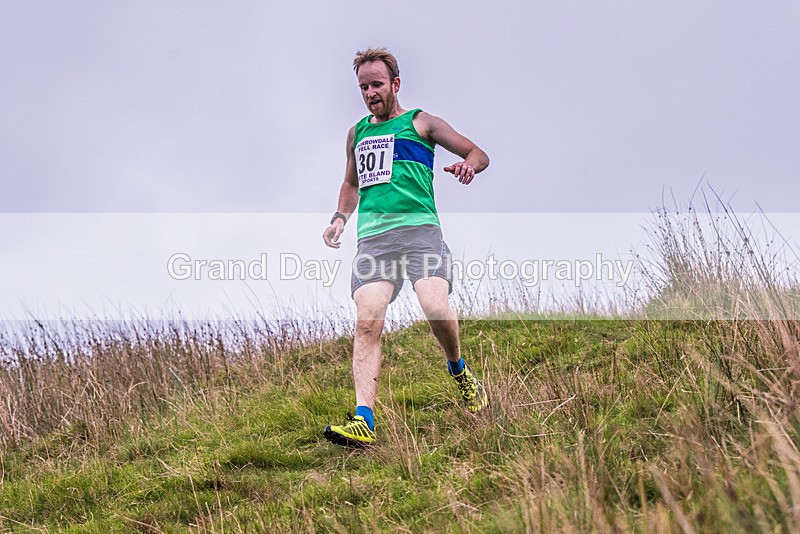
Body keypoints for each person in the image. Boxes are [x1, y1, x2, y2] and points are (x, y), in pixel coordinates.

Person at [321, 48, 490, 448]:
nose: (370, 94)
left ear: (395, 84)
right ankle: (364, 419)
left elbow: (478, 153)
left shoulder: (421, 123)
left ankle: (459, 370)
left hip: (419, 232)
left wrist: (469, 166)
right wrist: (339, 218)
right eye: (363, 87)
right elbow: (351, 183)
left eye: (377, 85)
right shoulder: (357, 133)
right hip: (374, 241)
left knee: (434, 305)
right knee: (367, 321)